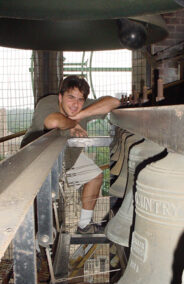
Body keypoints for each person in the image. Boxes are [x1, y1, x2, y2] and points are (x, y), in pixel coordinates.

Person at [21, 75, 120, 234]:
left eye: (80, 99)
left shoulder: (80, 108)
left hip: (67, 160)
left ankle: (84, 225)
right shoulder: (48, 102)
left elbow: (114, 102)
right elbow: (53, 121)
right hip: (35, 161)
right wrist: (73, 124)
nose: (75, 104)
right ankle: (36, 244)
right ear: (60, 97)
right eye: (71, 97)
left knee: (95, 177)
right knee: (37, 211)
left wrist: (79, 116)